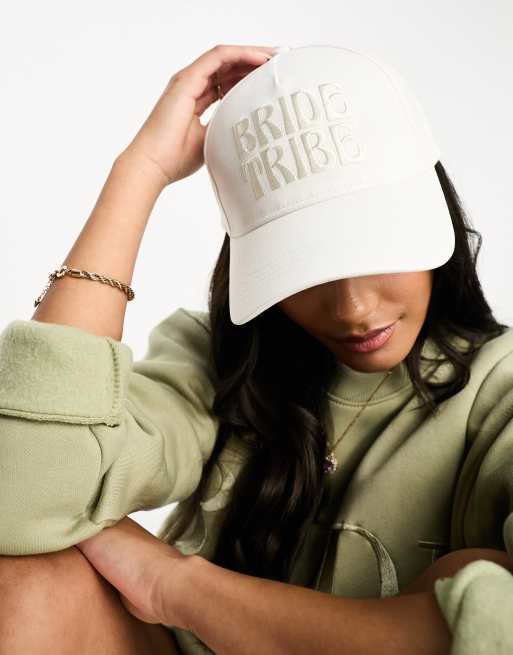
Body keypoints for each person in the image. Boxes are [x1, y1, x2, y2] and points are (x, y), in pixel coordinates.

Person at [0, 42, 512, 654]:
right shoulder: (215, 360)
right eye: (305, 267)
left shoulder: (501, 392)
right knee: (28, 578)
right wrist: (140, 171)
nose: (353, 309)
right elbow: (19, 492)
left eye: (377, 248)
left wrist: (173, 586)